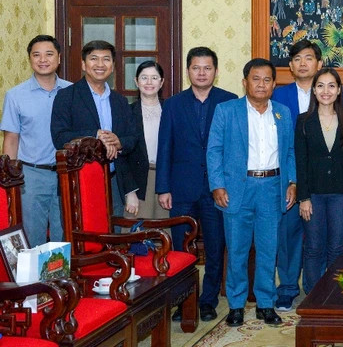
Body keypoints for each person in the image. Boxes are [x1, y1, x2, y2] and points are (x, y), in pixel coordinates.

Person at [207, 58, 296, 327]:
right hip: (237, 189)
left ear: (274, 84)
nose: (261, 84)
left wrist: (292, 181)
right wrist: (217, 185)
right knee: (237, 250)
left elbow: (289, 151)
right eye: (255, 79)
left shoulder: (282, 112)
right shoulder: (226, 110)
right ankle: (236, 305)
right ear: (245, 82)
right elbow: (214, 151)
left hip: (272, 187)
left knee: (269, 250)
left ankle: (265, 304)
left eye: (267, 79)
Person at [156, 46, 237, 322]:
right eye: (196, 68)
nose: (201, 73)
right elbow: (164, 147)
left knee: (215, 247)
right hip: (181, 189)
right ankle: (183, 301)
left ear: (216, 71)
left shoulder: (229, 101)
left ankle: (208, 300)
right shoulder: (173, 104)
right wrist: (163, 187)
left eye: (207, 68)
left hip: (217, 189)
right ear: (188, 70)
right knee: (180, 248)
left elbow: (234, 149)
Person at [51, 40, 144, 218]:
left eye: (106, 59)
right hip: (78, 181)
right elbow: (59, 137)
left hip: (115, 182)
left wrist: (119, 142)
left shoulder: (120, 101)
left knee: (114, 238)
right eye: (94, 59)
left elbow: (133, 137)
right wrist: (95, 136)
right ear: (84, 64)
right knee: (81, 239)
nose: (100, 64)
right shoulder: (66, 96)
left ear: (113, 65)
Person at [1, 35, 72, 246]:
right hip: (30, 175)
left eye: (49, 54)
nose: (43, 59)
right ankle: (35, 281)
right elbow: (11, 139)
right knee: (33, 237)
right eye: (36, 55)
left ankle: (62, 279)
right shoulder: (16, 95)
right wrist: (8, 179)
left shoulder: (73, 92)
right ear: (30, 59)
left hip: (66, 173)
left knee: (65, 234)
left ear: (59, 58)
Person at [295, 67, 343, 295]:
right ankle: (313, 295)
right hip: (313, 195)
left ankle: (334, 294)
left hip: (340, 194)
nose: (326, 91)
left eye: (331, 85)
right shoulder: (304, 121)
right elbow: (300, 162)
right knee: (313, 247)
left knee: (336, 248)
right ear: (314, 90)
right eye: (320, 85)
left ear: (339, 90)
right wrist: (303, 197)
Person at [270, 39, 322, 310]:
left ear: (319, 64)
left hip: (320, 177)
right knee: (288, 233)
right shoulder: (277, 96)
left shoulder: (328, 91)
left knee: (317, 236)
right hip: (288, 176)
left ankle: (319, 287)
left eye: (309, 58)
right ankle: (288, 287)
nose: (303, 63)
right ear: (290, 65)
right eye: (298, 58)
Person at [128, 60, 169, 220]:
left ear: (162, 82)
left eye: (154, 78)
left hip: (165, 180)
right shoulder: (127, 112)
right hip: (138, 182)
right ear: (136, 82)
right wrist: (130, 191)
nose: (149, 82)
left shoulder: (171, 110)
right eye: (144, 78)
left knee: (165, 233)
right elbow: (121, 155)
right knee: (137, 234)